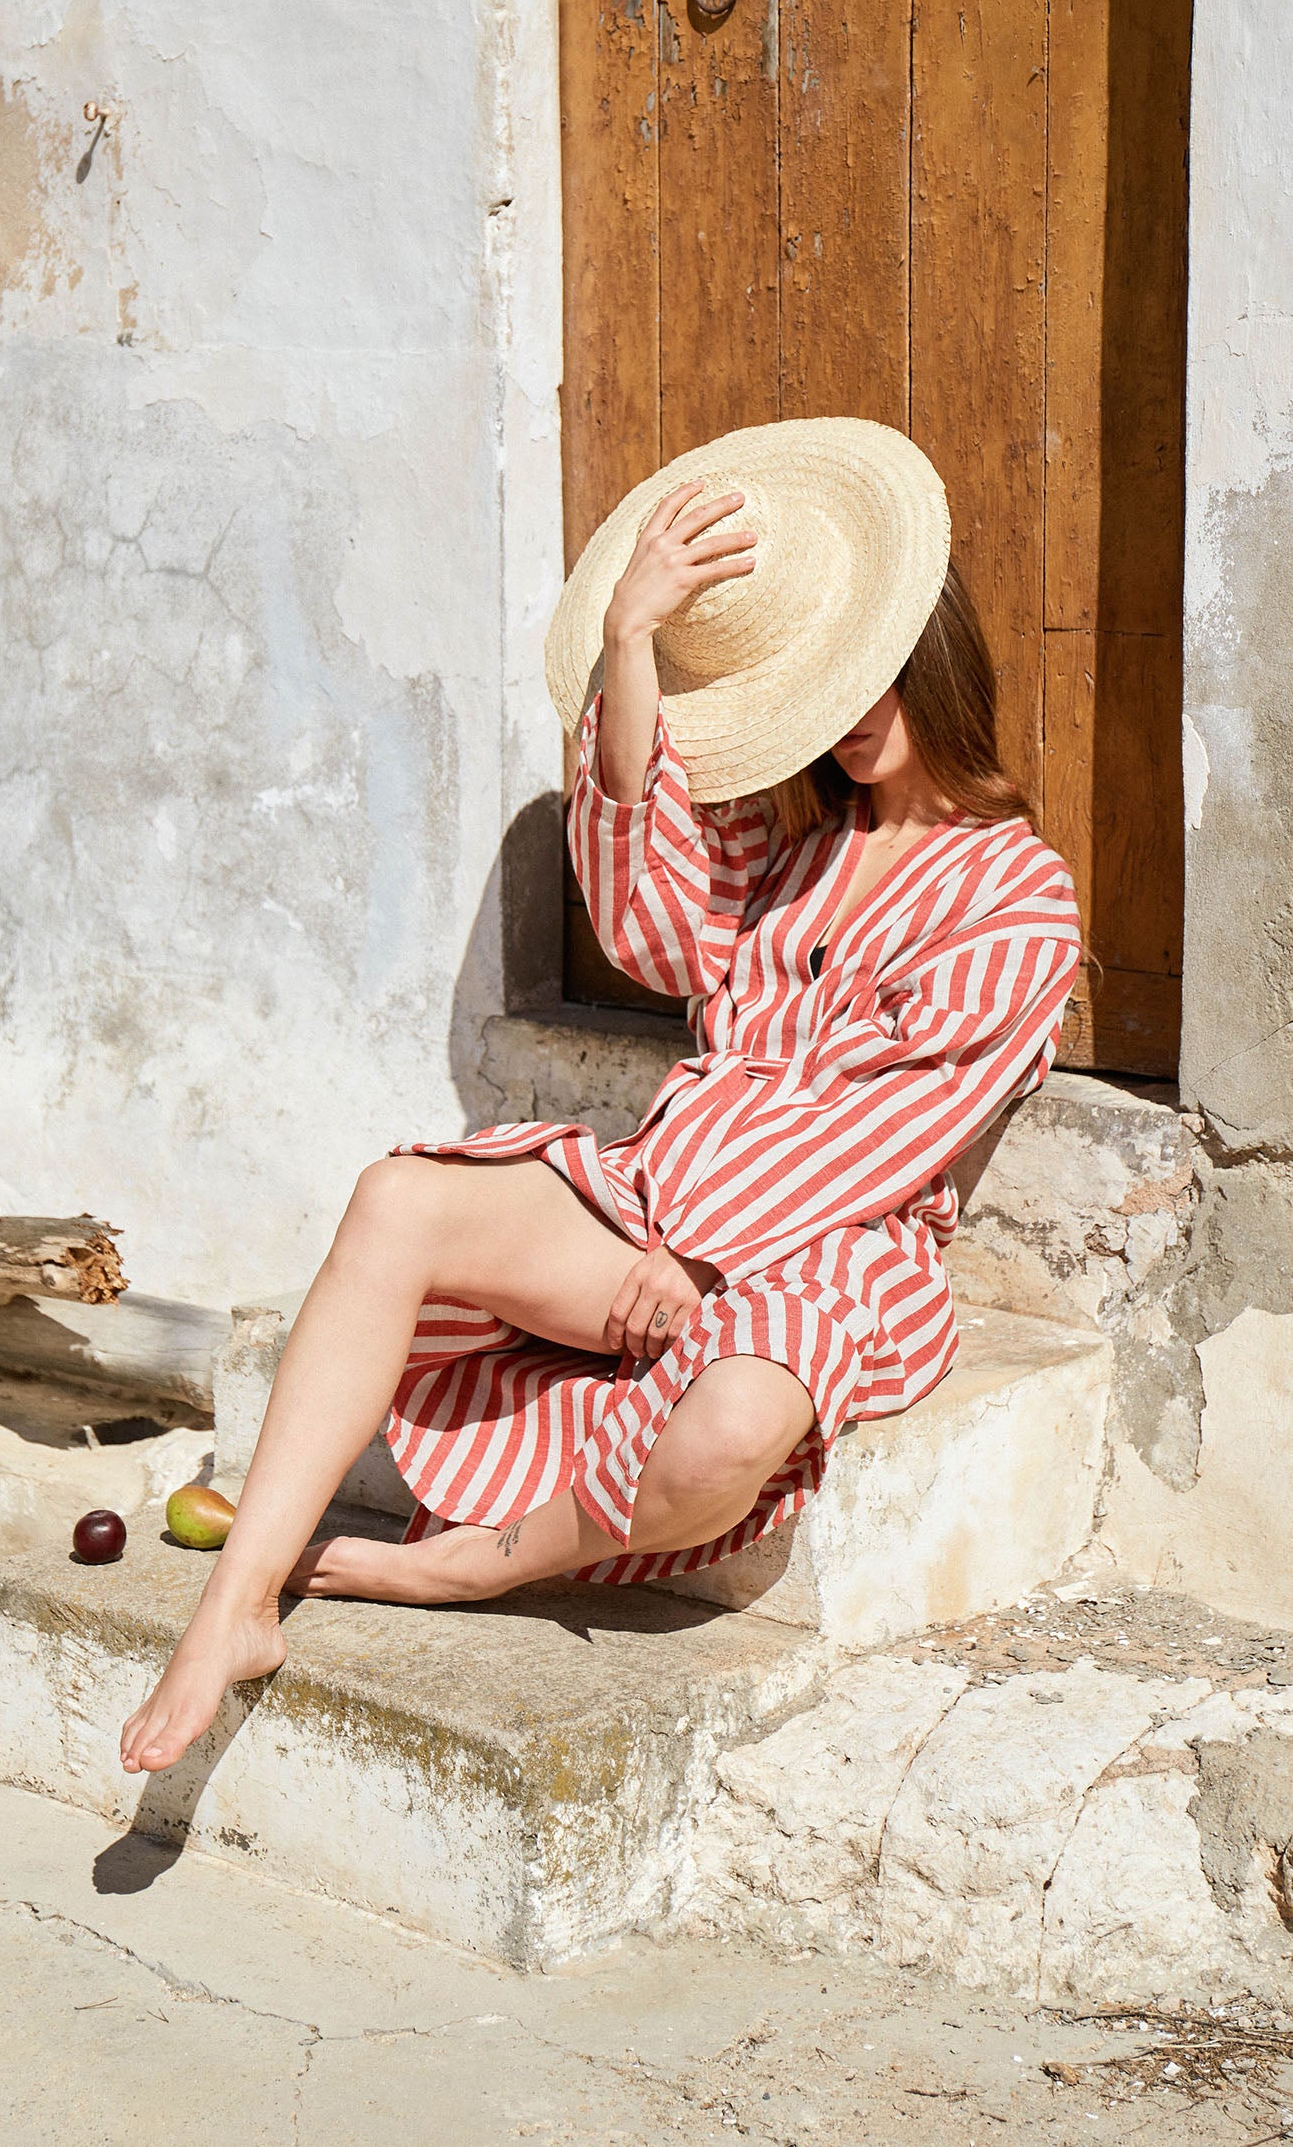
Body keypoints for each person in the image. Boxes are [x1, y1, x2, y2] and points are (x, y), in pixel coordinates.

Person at [120, 419, 1082, 1777]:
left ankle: (471, 1569)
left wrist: (702, 1251)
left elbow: (896, 1125)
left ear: (936, 656)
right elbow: (646, 930)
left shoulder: (1015, 896)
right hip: (657, 1205)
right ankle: (235, 1603)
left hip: (833, 1250)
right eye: (819, 684)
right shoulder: (788, 844)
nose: (852, 712)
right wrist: (631, 640)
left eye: (872, 676)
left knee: (733, 1431)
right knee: (402, 1199)